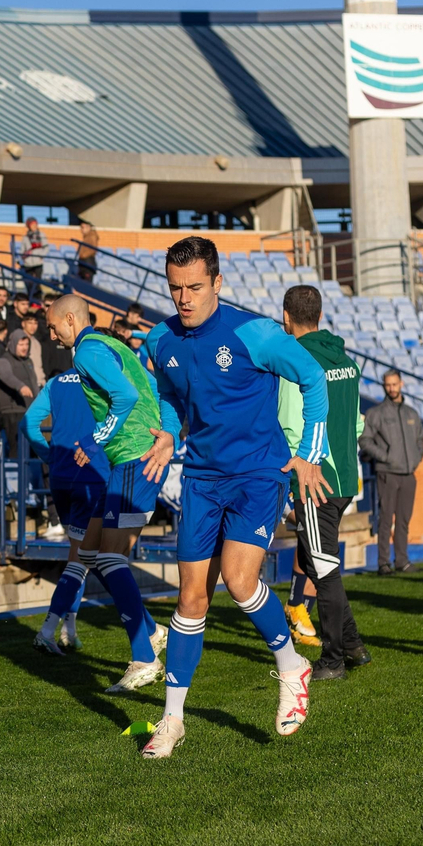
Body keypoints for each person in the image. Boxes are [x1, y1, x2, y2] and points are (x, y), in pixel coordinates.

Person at [137, 236, 330, 760]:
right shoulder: (160, 341)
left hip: (257, 475)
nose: (184, 298)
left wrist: (309, 452)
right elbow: (173, 400)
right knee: (190, 599)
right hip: (201, 478)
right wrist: (168, 433)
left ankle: (292, 667)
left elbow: (313, 379)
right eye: (176, 288)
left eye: (195, 287)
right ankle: (172, 720)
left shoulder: (256, 333)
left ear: (217, 283)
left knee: (242, 582)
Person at [45, 294, 181, 688]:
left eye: (54, 326)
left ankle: (144, 658)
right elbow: (152, 387)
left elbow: (126, 396)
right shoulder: (115, 344)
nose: (52, 335)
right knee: (90, 550)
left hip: (136, 456)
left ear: (70, 319)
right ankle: (152, 632)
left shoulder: (86, 350)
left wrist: (94, 440)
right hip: (133, 455)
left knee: (109, 555)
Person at [277, 285, 369, 681]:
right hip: (345, 474)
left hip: (316, 479)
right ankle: (352, 645)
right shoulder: (345, 359)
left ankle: (332, 661)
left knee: (324, 569)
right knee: (318, 563)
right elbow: (358, 422)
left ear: (286, 317)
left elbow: (288, 424)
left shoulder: (296, 361)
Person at [24, 365, 112, 655]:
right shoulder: (105, 375)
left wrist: (50, 456)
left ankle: (68, 629)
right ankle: (49, 630)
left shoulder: (56, 381)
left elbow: (27, 423)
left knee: (79, 555)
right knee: (82, 559)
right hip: (91, 473)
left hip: (61, 476)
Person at [361, 370, 423, 575]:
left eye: (395, 384)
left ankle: (402, 561)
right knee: (386, 518)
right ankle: (383, 563)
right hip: (387, 473)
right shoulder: (376, 414)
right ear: (384, 386)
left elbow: (420, 441)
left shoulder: (411, 414)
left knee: (404, 519)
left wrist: (415, 459)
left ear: (401, 384)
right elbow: (364, 440)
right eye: (388, 385)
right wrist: (386, 457)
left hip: (408, 474)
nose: (391, 388)